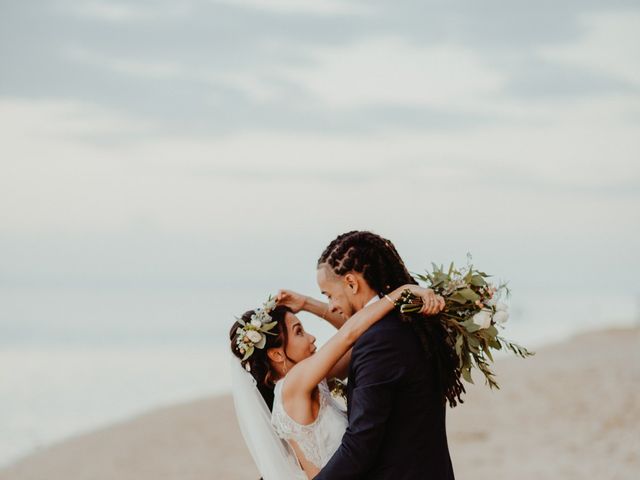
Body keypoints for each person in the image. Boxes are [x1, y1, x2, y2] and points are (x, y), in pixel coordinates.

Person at [230, 282, 443, 479]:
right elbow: (349, 334)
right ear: (276, 355)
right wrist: (400, 292)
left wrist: (306, 304)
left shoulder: (308, 383)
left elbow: (362, 336)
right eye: (299, 332)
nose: (311, 337)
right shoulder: (292, 386)